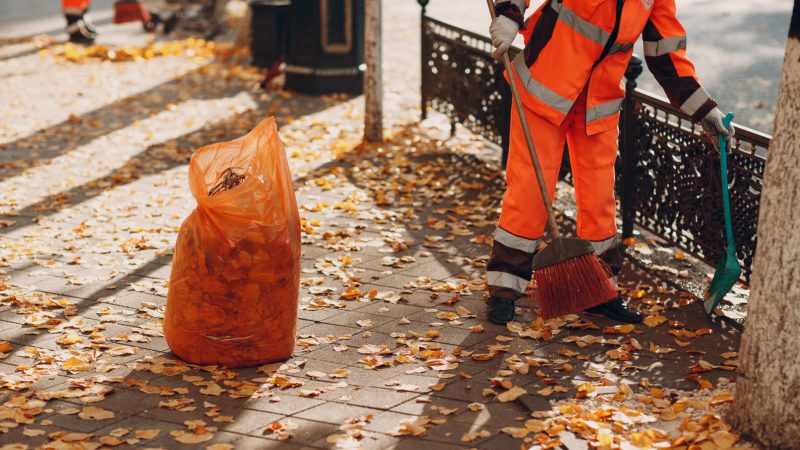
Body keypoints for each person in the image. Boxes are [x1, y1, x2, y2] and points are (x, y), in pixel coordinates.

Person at [486, 0, 734, 325]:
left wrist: (705, 112)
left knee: (599, 203)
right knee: (530, 194)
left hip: (597, 104)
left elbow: (666, 53)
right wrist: (508, 12)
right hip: (545, 87)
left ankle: (599, 292)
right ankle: (503, 291)